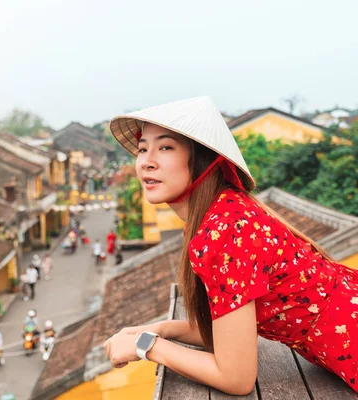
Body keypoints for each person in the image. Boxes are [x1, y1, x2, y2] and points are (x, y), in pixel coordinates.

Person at [102, 96, 358, 394]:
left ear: (202, 159)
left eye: (166, 147)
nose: (146, 161)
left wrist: (146, 346)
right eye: (143, 148)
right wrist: (161, 329)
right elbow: (229, 331)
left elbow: (236, 378)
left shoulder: (224, 231)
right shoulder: (220, 215)